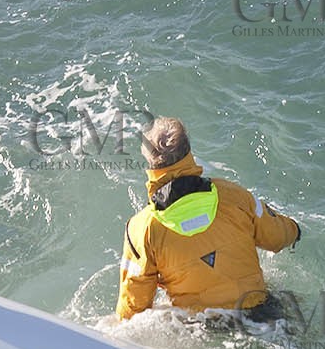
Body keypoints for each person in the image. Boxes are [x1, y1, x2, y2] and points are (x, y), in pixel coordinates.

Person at [117, 117, 301, 321]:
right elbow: (277, 236)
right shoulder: (233, 195)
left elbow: (134, 308)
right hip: (261, 312)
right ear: (188, 152)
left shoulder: (142, 228)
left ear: (150, 163)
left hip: (203, 327)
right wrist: (294, 230)